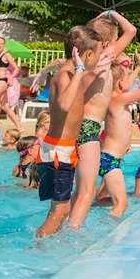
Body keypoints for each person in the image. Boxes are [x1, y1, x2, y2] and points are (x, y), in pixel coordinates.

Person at [68, 10, 137, 230]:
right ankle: (72, 233)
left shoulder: (86, 61)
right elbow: (132, 30)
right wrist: (112, 13)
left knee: (78, 191)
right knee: (87, 192)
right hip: (89, 128)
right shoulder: (105, 57)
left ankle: (64, 225)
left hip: (77, 126)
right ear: (108, 42)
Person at [35, 26, 102, 238]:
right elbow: (64, 104)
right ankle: (37, 249)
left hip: (61, 149)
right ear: (88, 54)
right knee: (62, 210)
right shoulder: (67, 75)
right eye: (97, 54)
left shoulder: (68, 72)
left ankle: (46, 242)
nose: (98, 59)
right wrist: (80, 70)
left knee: (58, 209)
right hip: (58, 151)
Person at [97, 48, 140, 218]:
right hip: (110, 160)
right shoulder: (118, 99)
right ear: (120, 83)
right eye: (127, 77)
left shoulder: (115, 97)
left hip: (113, 158)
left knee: (105, 199)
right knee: (122, 204)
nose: (131, 80)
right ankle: (107, 238)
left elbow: (128, 82)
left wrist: (138, 67)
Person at [0, 36, 23, 131]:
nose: (0, 45)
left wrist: (11, 77)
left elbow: (16, 68)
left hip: (2, 81)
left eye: (2, 43)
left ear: (4, 45)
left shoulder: (6, 55)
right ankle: (20, 126)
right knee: (5, 107)